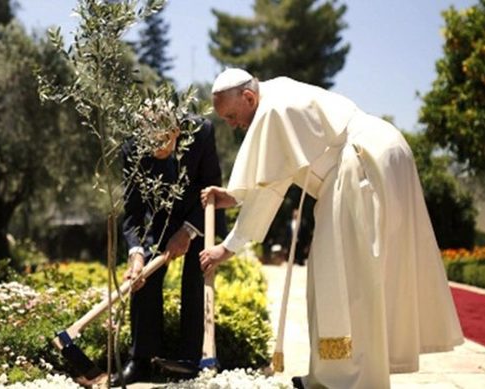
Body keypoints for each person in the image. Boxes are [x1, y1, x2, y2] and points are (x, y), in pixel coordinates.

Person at [199, 68, 464, 389]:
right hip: (384, 153)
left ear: (249, 98)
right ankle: (339, 376)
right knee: (360, 275)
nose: (232, 125)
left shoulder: (270, 111)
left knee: (347, 278)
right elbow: (274, 174)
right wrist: (233, 196)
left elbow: (269, 187)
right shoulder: (277, 91)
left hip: (361, 165)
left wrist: (227, 247)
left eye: (231, 116)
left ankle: (350, 381)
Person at [112, 116, 225, 386]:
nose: (154, 150)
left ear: (176, 132)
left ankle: (191, 358)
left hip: (200, 216)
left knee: (196, 276)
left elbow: (212, 188)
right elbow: (134, 210)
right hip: (161, 220)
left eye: (160, 143)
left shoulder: (201, 133)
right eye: (148, 143)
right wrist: (136, 254)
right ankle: (141, 360)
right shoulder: (131, 148)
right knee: (144, 279)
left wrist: (187, 232)